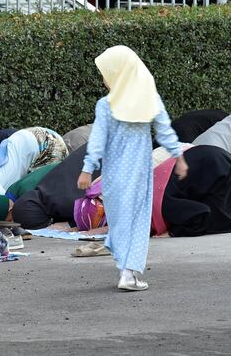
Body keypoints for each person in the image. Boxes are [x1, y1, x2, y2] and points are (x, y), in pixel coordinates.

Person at [78, 45, 188, 292]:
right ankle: (129, 273)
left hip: (113, 175)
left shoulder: (105, 105)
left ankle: (123, 268)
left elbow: (97, 140)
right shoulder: (149, 98)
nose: (103, 79)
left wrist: (87, 169)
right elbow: (165, 130)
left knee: (119, 221)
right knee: (136, 222)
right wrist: (178, 157)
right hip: (139, 174)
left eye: (106, 73)